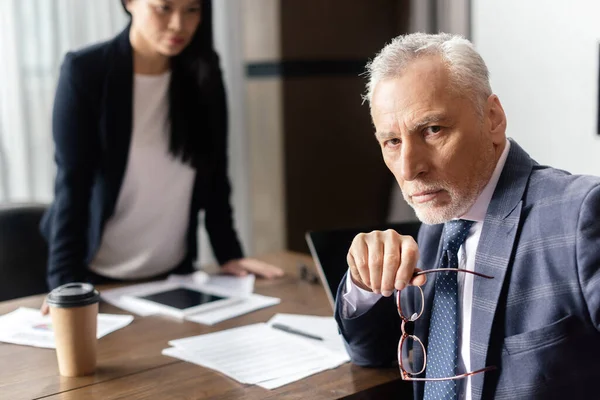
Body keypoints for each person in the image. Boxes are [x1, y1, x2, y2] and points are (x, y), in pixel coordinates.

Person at [334, 32, 600, 400]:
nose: (409, 169)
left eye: (432, 130)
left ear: (492, 119)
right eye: (392, 142)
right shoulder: (436, 226)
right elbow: (371, 355)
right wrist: (364, 284)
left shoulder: (580, 214)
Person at [40, 0, 283, 312]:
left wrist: (229, 254)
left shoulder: (203, 70)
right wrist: (65, 283)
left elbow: (214, 172)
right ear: (129, 3)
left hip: (174, 276)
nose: (178, 24)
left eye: (192, 10)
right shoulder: (86, 71)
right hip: (96, 275)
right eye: (164, 8)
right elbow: (72, 184)